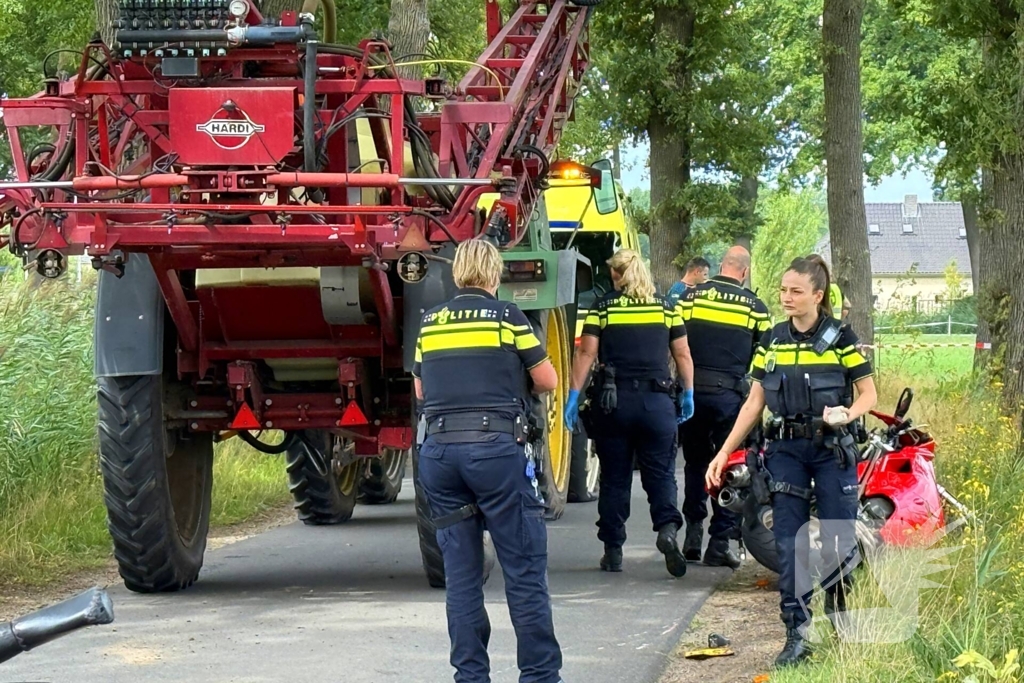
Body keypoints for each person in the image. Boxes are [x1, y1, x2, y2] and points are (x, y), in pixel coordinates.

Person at [706, 255, 877, 668]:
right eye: (783, 290)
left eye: (796, 291)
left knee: (838, 539)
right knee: (790, 542)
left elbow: (869, 394)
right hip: (785, 452)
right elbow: (754, 402)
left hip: (832, 448)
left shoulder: (841, 338)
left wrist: (848, 415)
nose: (786, 297)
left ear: (818, 296)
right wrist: (724, 451)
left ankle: (841, 620)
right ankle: (797, 636)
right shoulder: (773, 340)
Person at [413, 239, 565, 683]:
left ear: (457, 273)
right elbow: (547, 380)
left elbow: (423, 391)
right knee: (523, 572)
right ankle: (539, 676)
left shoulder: (431, 323)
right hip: (496, 452)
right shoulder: (508, 317)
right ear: (494, 275)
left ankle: (471, 676)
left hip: (439, 457)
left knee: (461, 578)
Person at [564, 249, 695, 577]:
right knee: (661, 474)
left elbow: (586, 353)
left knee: (614, 478)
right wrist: (689, 392)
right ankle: (667, 530)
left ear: (619, 275)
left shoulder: (603, 307)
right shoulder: (667, 308)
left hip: (614, 404)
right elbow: (682, 353)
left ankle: (613, 550)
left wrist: (573, 396)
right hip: (658, 404)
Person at [676, 246, 771, 569]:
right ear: (744, 272)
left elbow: (674, 339)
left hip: (692, 393)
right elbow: (764, 356)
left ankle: (692, 533)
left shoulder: (690, 297)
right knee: (730, 468)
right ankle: (719, 542)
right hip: (731, 397)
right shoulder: (755, 307)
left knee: (694, 463)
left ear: (721, 266)